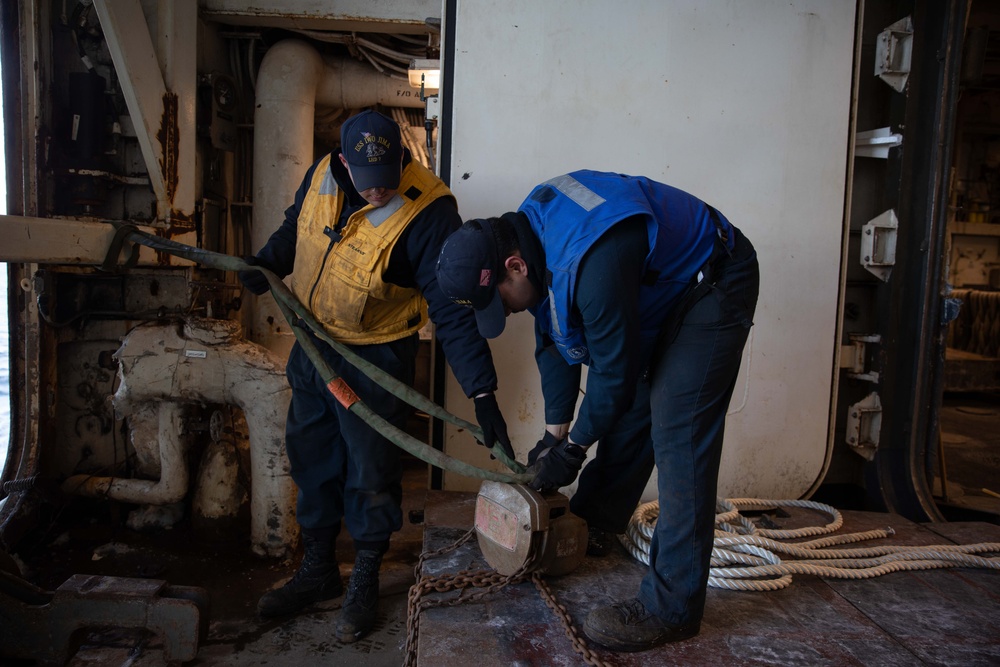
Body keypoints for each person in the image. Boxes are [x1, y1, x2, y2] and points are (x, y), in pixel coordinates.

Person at [435, 170, 759, 653]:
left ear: (515, 266)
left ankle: (671, 609)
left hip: (713, 281)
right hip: (663, 290)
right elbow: (553, 334)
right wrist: (554, 432)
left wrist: (574, 449)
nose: (505, 312)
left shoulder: (592, 263)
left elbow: (614, 377)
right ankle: (596, 524)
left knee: (677, 430)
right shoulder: (530, 236)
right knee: (631, 413)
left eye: (498, 299)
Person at [238, 110, 513, 642]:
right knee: (311, 456)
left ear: (402, 157)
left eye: (389, 177)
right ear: (343, 162)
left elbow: (454, 312)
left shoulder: (431, 212)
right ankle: (318, 571)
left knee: (370, 468)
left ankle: (364, 575)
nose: (379, 190)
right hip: (314, 344)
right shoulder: (321, 173)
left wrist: (483, 394)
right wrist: (266, 262)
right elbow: (298, 225)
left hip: (377, 357)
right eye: (368, 182)